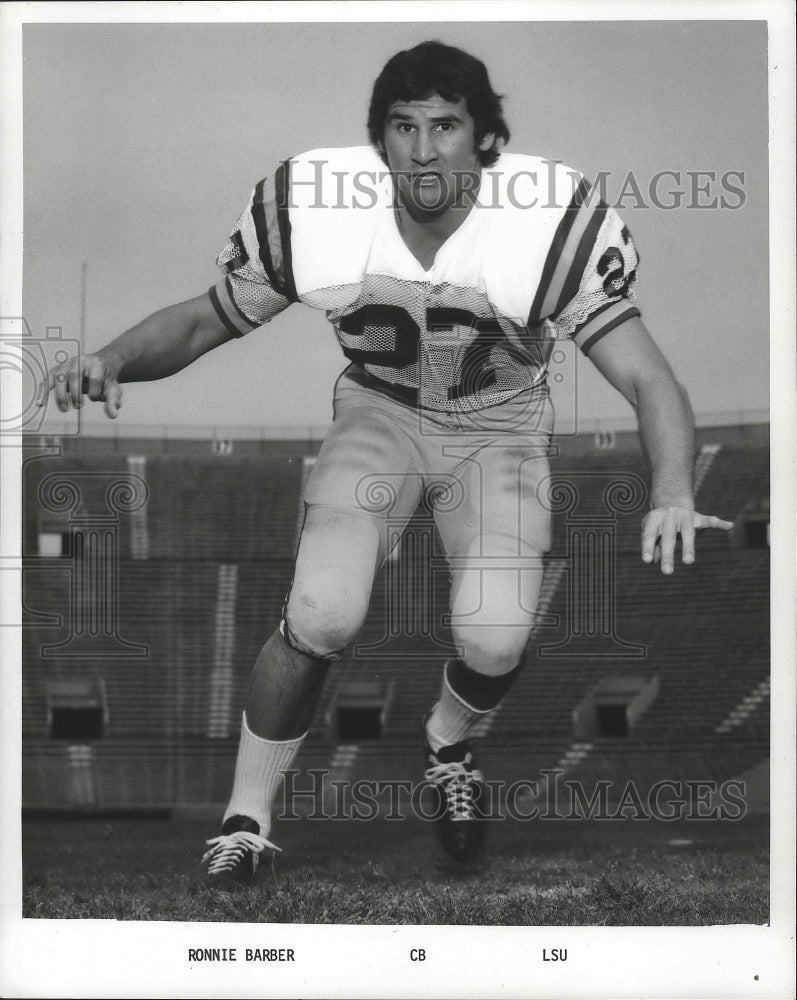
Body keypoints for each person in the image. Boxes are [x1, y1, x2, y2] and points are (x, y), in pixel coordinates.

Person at [40, 41, 733, 880]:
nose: (423, 146)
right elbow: (203, 319)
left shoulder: (547, 223)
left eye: (446, 125)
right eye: (403, 126)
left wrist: (667, 490)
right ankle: (245, 819)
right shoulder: (319, 212)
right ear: (379, 142)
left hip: (499, 429)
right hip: (380, 414)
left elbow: (646, 375)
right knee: (322, 611)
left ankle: (446, 745)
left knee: (493, 639)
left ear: (487, 140)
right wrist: (111, 360)